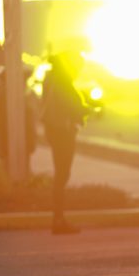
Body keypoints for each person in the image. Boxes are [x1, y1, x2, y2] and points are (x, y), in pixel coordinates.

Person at [41, 52, 90, 235]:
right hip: (63, 133)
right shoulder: (62, 84)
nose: (79, 70)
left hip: (59, 132)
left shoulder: (55, 81)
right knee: (62, 176)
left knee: (61, 176)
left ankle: (59, 218)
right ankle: (58, 219)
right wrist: (88, 109)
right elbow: (72, 106)